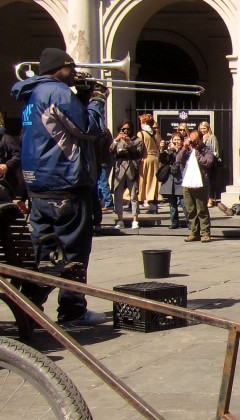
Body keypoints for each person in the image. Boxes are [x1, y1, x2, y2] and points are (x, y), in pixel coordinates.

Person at [10, 47, 107, 326]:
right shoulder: (57, 92)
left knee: (46, 253)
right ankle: (72, 310)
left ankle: (28, 308)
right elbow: (89, 128)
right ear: (59, 69)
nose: (75, 73)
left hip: (39, 186)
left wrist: (84, 97)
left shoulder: (32, 95)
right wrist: (98, 100)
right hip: (65, 183)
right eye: (71, 68)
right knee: (74, 252)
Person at [177, 128, 215, 243]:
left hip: (201, 183)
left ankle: (205, 233)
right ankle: (194, 232)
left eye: (196, 140)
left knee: (201, 209)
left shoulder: (206, 150)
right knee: (190, 209)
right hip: (188, 182)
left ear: (201, 139)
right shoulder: (188, 150)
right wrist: (184, 147)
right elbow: (178, 159)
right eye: (192, 140)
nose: (194, 142)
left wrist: (197, 151)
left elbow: (208, 162)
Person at [110, 120, 142, 230]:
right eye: (123, 129)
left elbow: (138, 153)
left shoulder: (137, 140)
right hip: (119, 168)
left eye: (128, 129)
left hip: (131, 168)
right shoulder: (117, 139)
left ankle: (135, 219)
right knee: (118, 194)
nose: (126, 131)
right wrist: (116, 141)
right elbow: (110, 151)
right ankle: (120, 219)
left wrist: (129, 143)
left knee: (133, 195)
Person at [199, 121, 229, 215]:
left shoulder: (212, 137)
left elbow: (215, 151)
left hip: (210, 162)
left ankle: (210, 199)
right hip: (202, 161)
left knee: (209, 181)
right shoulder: (200, 137)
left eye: (204, 128)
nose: (203, 130)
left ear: (208, 128)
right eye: (201, 128)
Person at [158, 133, 184, 228]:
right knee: (172, 203)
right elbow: (162, 160)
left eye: (178, 139)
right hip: (170, 178)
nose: (176, 142)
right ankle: (174, 222)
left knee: (183, 202)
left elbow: (182, 159)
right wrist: (162, 149)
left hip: (181, 178)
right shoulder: (169, 150)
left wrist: (177, 150)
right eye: (174, 140)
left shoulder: (185, 149)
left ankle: (190, 222)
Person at [137, 112, 161, 213]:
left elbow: (139, 148)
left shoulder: (141, 134)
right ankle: (153, 205)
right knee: (154, 182)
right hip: (155, 159)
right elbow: (159, 146)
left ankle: (138, 202)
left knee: (144, 182)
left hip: (145, 159)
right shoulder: (156, 134)